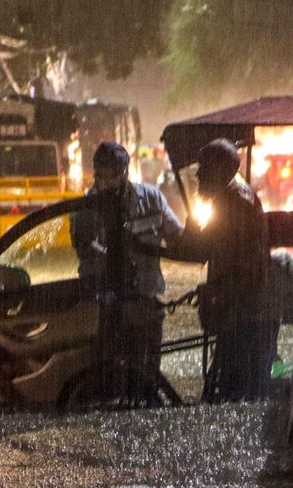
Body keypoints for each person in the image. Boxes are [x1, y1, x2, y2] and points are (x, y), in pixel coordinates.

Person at [71, 141, 183, 405]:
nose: (105, 182)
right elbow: (85, 252)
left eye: (112, 175)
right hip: (104, 307)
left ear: (125, 172)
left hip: (144, 301)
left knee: (145, 379)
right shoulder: (85, 210)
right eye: (100, 175)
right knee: (107, 382)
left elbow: (177, 237)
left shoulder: (152, 199)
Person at [170, 139, 278, 402]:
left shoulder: (235, 203)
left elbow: (206, 252)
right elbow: (200, 250)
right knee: (228, 391)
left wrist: (215, 289)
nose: (197, 175)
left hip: (248, 314)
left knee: (235, 396)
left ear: (221, 170)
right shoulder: (227, 201)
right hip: (239, 309)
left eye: (203, 168)